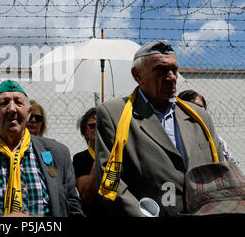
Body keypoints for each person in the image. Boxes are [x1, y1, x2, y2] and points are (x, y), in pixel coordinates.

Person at [95, 40, 224, 217]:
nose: (171, 77)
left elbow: (219, 173)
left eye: (174, 70)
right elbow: (110, 182)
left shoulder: (199, 117)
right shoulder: (115, 114)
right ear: (137, 75)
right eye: (161, 70)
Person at [0, 79, 83, 217]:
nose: (12, 109)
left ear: (28, 114)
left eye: (19, 102)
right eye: (4, 103)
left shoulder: (57, 154)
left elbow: (73, 208)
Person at [178, 90, 240, 169]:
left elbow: (232, 163)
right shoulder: (177, 137)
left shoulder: (216, 139)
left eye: (199, 106)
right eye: (190, 106)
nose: (195, 110)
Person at [72, 107, 103, 217]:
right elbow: (86, 196)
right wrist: (100, 159)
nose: (97, 128)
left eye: (101, 124)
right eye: (92, 125)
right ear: (85, 132)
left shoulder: (119, 154)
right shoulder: (80, 158)